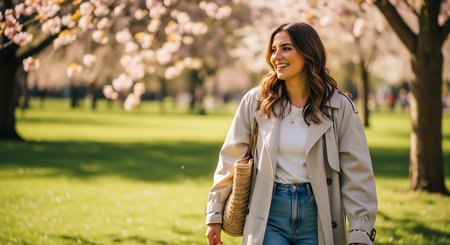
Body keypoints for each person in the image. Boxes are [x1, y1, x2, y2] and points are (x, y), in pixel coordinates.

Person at [205, 22, 377, 245]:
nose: (277, 56)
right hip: (267, 214)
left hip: (318, 218)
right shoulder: (256, 101)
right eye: (274, 50)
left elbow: (357, 170)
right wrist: (214, 214)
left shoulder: (340, 106)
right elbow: (230, 158)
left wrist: (360, 230)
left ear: (308, 53)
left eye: (286, 48)